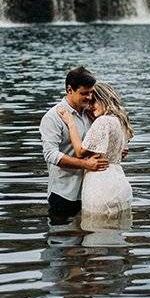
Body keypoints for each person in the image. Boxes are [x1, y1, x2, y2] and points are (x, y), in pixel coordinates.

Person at [56, 81, 133, 230]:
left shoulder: (103, 121)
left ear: (104, 99)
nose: (90, 107)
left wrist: (71, 123)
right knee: (115, 237)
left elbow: (79, 151)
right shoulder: (119, 120)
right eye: (88, 103)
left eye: (94, 102)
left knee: (95, 236)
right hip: (119, 182)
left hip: (100, 183)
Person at [40, 66, 109, 223]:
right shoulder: (52, 117)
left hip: (91, 191)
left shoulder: (92, 112)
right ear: (69, 90)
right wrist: (85, 164)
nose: (89, 97)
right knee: (64, 243)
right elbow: (50, 155)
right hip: (65, 193)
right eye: (84, 93)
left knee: (89, 242)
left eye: (91, 92)